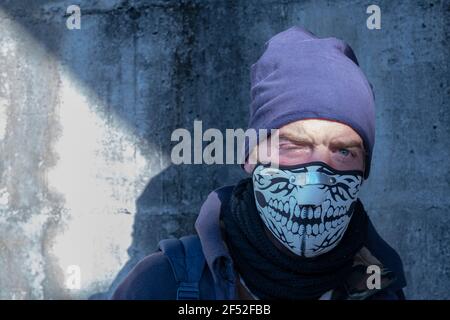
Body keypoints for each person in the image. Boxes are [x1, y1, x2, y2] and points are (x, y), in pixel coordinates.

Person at [111, 26, 406, 300]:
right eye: (293, 145)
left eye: (343, 152)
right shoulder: (163, 284)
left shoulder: (381, 288)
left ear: (363, 169)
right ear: (251, 157)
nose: (316, 181)